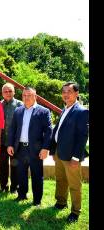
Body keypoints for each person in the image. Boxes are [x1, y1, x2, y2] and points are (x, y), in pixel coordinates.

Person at [50, 82, 89, 223]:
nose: (66, 94)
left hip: (71, 156)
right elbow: (58, 131)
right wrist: (53, 151)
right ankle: (61, 202)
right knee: (60, 180)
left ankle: (75, 211)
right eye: (64, 92)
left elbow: (82, 136)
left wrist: (76, 157)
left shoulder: (82, 111)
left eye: (69, 91)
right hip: (60, 154)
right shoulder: (65, 109)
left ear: (77, 94)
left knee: (74, 184)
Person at [7, 87, 52, 207]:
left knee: (37, 175)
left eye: (29, 95)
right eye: (24, 95)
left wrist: (45, 148)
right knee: (21, 173)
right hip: (20, 148)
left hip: (36, 150)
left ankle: (37, 200)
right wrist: (10, 144)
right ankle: (22, 195)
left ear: (35, 97)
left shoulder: (43, 111)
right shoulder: (18, 111)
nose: (26, 98)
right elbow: (12, 130)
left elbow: (48, 132)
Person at [0, 83, 23, 193]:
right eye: (5, 91)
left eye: (10, 91)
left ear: (14, 92)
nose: (8, 93)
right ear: (2, 93)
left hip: (15, 142)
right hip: (3, 141)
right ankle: (3, 186)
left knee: (15, 165)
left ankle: (14, 187)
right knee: (2, 165)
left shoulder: (20, 105)